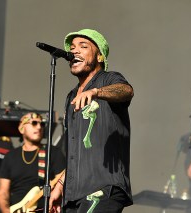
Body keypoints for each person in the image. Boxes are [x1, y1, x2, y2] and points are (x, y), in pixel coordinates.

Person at [50, 29, 134, 213]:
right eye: (72, 48)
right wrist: (61, 184)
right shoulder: (71, 97)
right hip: (73, 195)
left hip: (103, 188)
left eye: (83, 46)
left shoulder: (108, 79)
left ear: (100, 57)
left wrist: (96, 92)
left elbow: (126, 91)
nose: (75, 51)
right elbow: (76, 150)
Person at [0, 112, 65, 213]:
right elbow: (3, 192)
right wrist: (6, 211)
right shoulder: (11, 156)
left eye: (41, 124)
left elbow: (62, 181)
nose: (39, 127)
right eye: (34, 123)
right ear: (22, 128)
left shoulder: (53, 152)